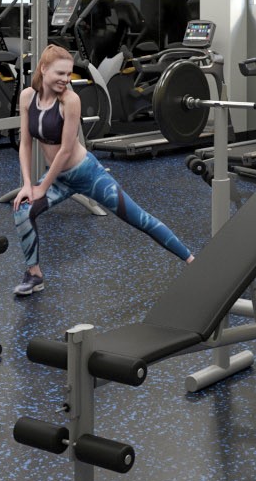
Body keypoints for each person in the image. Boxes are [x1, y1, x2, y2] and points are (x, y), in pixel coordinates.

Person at [10, 44, 195, 297]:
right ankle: (34, 274)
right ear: (43, 69)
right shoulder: (27, 97)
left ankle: (192, 261)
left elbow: (65, 150)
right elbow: (25, 143)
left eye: (68, 74)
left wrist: (42, 187)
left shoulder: (71, 100)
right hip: (59, 178)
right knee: (22, 211)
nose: (66, 79)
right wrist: (27, 184)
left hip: (87, 174)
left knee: (139, 218)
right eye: (60, 73)